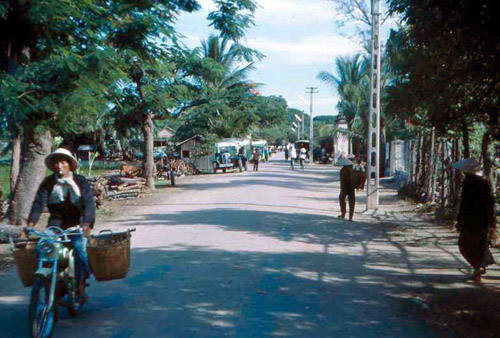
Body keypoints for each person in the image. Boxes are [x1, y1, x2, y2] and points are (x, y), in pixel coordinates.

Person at [26, 148, 95, 299]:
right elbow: (38, 204)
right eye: (56, 162)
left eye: (63, 161)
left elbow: (89, 203)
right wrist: (30, 225)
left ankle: (82, 281)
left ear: (70, 164)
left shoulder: (80, 181)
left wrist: (87, 224)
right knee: (42, 248)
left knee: (79, 249)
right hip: (55, 225)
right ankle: (50, 279)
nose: (59, 165)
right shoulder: (48, 183)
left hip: (77, 224)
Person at [453, 158, 496, 281]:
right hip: (483, 220)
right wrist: (491, 221)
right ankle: (480, 266)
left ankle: (478, 266)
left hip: (470, 220)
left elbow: (465, 204)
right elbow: (490, 203)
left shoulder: (468, 183)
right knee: (480, 243)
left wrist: (460, 219)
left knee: (464, 244)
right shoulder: (485, 183)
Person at [337, 157, 356, 221]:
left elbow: (342, 181)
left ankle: (343, 213)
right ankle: (351, 216)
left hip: (344, 188)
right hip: (351, 187)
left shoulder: (342, 170)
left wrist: (342, 188)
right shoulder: (352, 169)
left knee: (342, 199)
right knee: (352, 201)